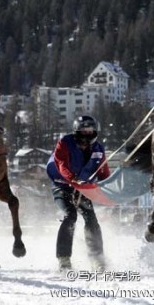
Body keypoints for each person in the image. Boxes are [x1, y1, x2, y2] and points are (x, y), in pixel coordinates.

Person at [46, 115, 110, 271]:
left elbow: (104, 174)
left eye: (90, 131)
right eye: (83, 131)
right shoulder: (65, 143)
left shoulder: (98, 149)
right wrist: (74, 180)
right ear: (76, 132)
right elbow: (62, 166)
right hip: (62, 186)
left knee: (91, 219)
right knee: (70, 216)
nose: (87, 134)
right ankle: (64, 259)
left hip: (83, 189)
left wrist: (110, 187)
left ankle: (97, 259)